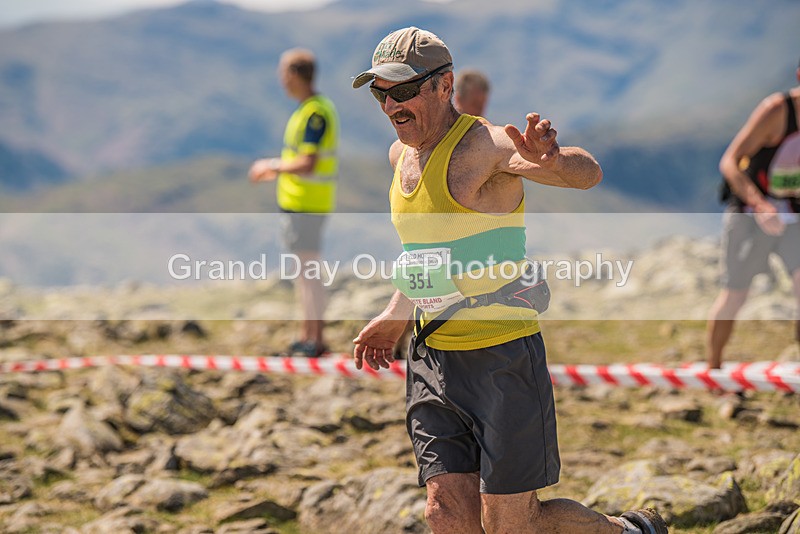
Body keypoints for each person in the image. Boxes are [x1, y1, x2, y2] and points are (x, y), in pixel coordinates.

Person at [351, 27, 668, 534]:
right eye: (380, 92)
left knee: (511, 524)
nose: (391, 105)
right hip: (433, 356)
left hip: (503, 355)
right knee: (446, 512)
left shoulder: (485, 145)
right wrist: (396, 315)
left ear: (443, 84)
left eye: (404, 90)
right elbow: (422, 254)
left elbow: (588, 174)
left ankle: (626, 531)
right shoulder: (400, 158)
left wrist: (554, 160)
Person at [707, 59, 800, 369]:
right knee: (735, 294)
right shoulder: (777, 110)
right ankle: (715, 370)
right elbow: (730, 161)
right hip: (750, 215)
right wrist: (759, 204)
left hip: (793, 216)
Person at [249, 48, 339, 357]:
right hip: (300, 203)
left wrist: (270, 166)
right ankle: (308, 336)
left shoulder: (315, 112)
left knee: (308, 274)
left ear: (295, 75)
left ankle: (315, 339)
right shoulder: (308, 109)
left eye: (284, 72)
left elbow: (307, 162)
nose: (281, 80)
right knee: (305, 273)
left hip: (307, 204)